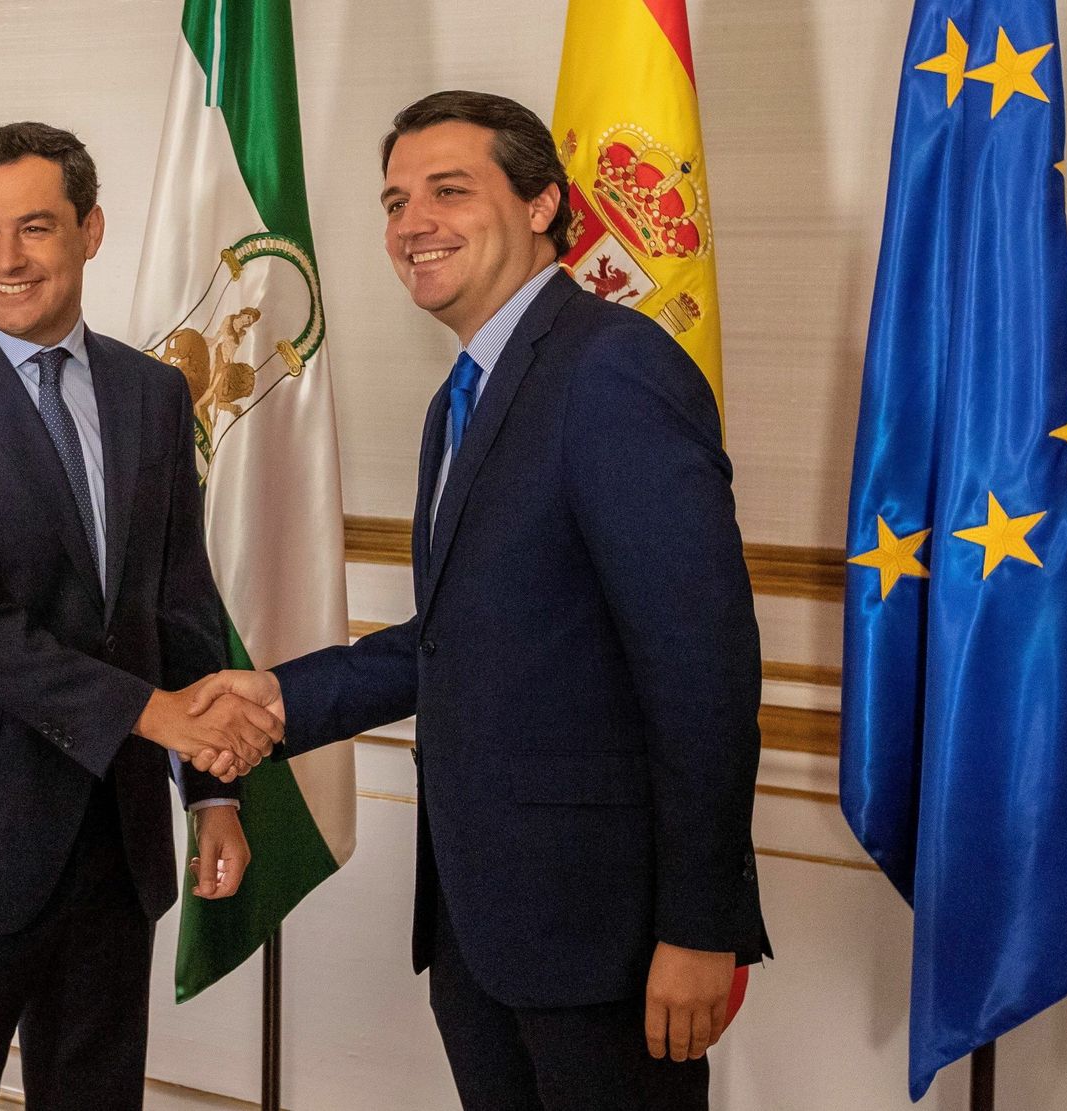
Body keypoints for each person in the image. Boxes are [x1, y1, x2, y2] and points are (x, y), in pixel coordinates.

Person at [193, 91, 769, 1110]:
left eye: (448, 191)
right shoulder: (460, 395)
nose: (411, 223)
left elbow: (703, 674)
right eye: (394, 200)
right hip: (477, 921)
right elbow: (461, 640)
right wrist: (279, 699)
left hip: (608, 938)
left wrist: (698, 924)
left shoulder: (612, 369)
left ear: (543, 202)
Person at [0, 121, 277, 1110]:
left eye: (33, 227)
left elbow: (179, 597)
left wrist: (212, 792)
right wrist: (156, 714)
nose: (4, 259)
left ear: (90, 229)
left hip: (110, 842)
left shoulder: (154, 393)